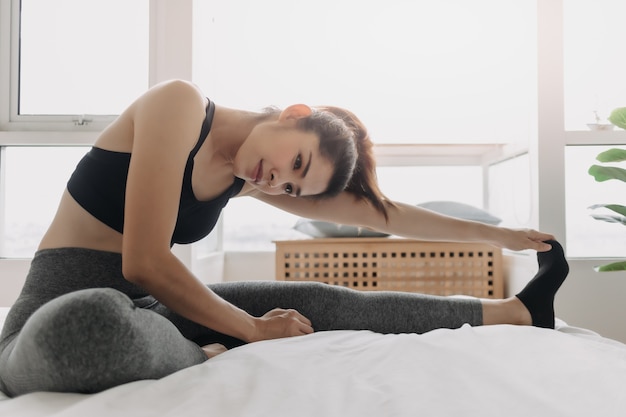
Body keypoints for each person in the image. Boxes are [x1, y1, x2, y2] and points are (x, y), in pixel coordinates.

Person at [0, 79, 568, 397]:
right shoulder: (178, 105)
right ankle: (201, 353)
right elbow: (144, 262)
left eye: (295, 188)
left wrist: (500, 235)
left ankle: (517, 311)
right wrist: (250, 329)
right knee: (94, 320)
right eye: (295, 160)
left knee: (318, 300)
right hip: (54, 314)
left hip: (149, 310)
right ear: (294, 113)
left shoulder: (246, 175)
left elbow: (386, 215)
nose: (279, 182)